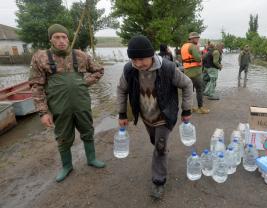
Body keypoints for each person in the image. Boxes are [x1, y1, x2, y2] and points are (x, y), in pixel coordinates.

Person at [117, 35, 193, 199]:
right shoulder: (129, 70)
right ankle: (162, 150)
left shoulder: (168, 68)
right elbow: (121, 90)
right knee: (156, 142)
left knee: (159, 147)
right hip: (146, 116)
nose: (138, 64)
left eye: (141, 59)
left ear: (151, 55)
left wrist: (186, 110)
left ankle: (159, 181)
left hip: (164, 115)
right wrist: (122, 113)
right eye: (134, 59)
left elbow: (187, 84)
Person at [29, 24, 105, 182]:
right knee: (62, 136)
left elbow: (99, 70)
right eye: (57, 37)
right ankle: (67, 166)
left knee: (87, 130)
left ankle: (91, 159)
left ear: (68, 38)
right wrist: (43, 113)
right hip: (59, 106)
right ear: (50, 39)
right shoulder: (40, 57)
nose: (61, 40)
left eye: (64, 37)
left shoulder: (80, 55)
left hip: (81, 103)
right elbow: (36, 86)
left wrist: (85, 83)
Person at [181, 32, 210, 114]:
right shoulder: (193, 46)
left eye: (198, 38)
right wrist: (201, 53)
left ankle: (189, 108)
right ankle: (200, 108)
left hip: (186, 71)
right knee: (199, 90)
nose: (198, 39)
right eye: (197, 38)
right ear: (192, 39)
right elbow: (198, 59)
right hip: (195, 72)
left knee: (188, 91)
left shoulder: (184, 46)